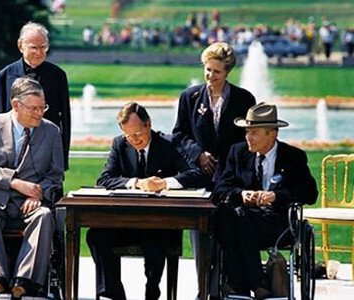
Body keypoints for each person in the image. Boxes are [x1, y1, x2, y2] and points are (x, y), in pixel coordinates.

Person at [86, 101, 205, 300]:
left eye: (138, 134)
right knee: (96, 236)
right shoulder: (119, 144)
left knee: (155, 238)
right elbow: (104, 179)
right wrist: (136, 183)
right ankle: (113, 294)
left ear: (148, 125)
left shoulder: (168, 144)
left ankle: (152, 289)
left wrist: (165, 183)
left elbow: (196, 174)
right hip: (124, 223)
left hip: (160, 223)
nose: (134, 140)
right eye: (129, 135)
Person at [172, 41, 255, 297]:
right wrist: (199, 155)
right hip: (200, 177)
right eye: (207, 70)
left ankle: (228, 286)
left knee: (227, 230)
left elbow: (248, 140)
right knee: (199, 234)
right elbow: (179, 134)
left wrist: (228, 162)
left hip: (231, 179)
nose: (210, 76)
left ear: (227, 72)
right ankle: (203, 289)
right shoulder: (190, 97)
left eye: (216, 72)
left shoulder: (244, 99)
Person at [212, 102, 318, 299]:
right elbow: (219, 189)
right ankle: (257, 284)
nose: (247, 137)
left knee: (235, 221)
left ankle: (239, 286)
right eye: (246, 132)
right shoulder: (237, 152)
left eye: (253, 133)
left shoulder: (293, 157)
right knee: (225, 214)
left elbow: (309, 194)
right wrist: (241, 195)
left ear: (272, 134)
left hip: (277, 222)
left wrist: (277, 196)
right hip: (242, 218)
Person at [0, 77, 64, 298]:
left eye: (43, 107)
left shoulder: (51, 131)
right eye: (34, 108)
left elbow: (55, 174)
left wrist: (39, 193)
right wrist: (14, 182)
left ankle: (25, 281)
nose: (40, 113)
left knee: (43, 216)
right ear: (16, 105)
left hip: (31, 203)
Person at [0, 22, 71, 170]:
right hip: (11, 155)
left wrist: (62, 159)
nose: (39, 52)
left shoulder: (58, 75)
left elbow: (65, 120)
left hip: (47, 152)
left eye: (43, 47)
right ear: (21, 46)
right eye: (34, 47)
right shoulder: (4, 76)